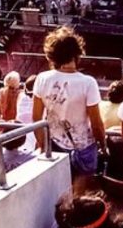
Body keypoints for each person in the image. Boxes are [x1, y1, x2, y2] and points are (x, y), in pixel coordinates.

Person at [32, 26, 106, 179]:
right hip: (84, 147)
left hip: (54, 146)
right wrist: (103, 146)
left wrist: (44, 146)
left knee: (60, 188)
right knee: (81, 190)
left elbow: (36, 119)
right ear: (77, 54)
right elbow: (96, 124)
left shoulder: (42, 79)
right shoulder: (88, 83)